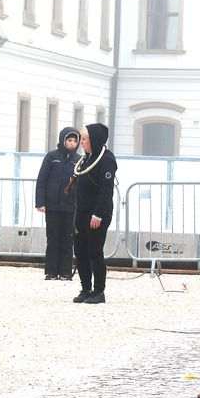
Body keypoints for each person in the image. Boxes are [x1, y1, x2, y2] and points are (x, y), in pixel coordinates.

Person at [69, 122, 117, 304]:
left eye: (85, 138)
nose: (81, 142)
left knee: (94, 251)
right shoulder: (86, 158)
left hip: (97, 214)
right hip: (81, 212)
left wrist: (98, 214)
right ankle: (85, 288)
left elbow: (106, 191)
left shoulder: (106, 159)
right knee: (80, 250)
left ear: (94, 139)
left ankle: (99, 291)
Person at [36, 127, 80, 281]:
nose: (72, 143)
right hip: (53, 205)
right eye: (69, 140)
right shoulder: (51, 157)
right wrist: (40, 202)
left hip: (70, 206)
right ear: (63, 140)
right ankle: (51, 271)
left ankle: (66, 272)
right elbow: (42, 179)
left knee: (68, 239)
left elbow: (82, 183)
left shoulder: (79, 160)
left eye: (75, 141)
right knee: (53, 238)